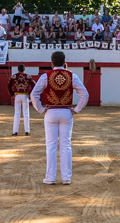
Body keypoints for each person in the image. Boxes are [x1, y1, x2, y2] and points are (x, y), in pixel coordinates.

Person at [30, 50, 89, 185]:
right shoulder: (71, 76)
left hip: (51, 112)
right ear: (64, 61)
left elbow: (34, 94)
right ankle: (66, 177)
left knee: (51, 146)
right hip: (66, 112)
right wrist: (76, 109)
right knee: (66, 144)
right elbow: (85, 94)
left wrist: (41, 109)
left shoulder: (46, 76)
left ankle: (50, 177)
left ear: (51, 62)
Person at [8, 63, 34, 136]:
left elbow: (8, 86)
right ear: (24, 69)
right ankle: (27, 131)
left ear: (18, 69)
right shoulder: (28, 76)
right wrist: (29, 93)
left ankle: (15, 131)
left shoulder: (14, 77)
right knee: (26, 113)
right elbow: (33, 85)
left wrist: (12, 94)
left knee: (17, 113)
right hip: (25, 95)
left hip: (17, 96)